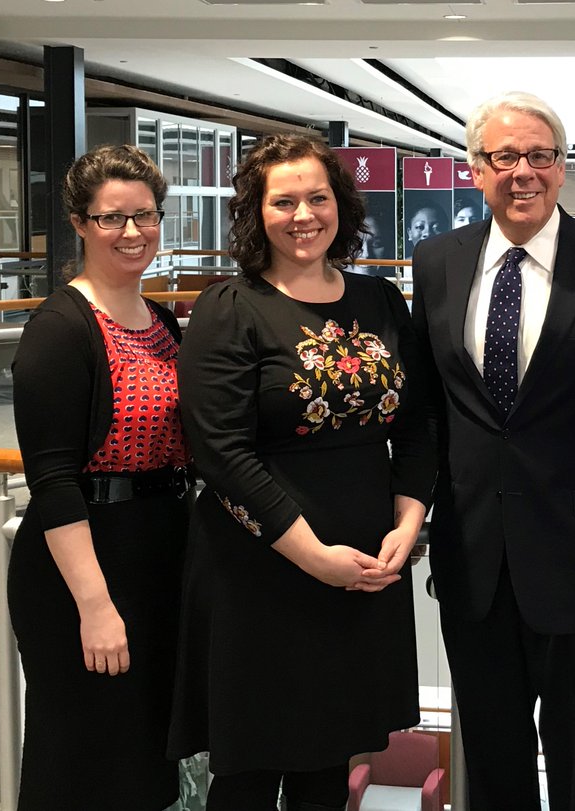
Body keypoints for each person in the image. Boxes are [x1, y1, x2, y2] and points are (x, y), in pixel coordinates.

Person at [411, 91, 575, 811]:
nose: (522, 172)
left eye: (539, 156)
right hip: (474, 566)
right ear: (476, 169)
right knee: (492, 766)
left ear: (562, 169)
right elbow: (430, 413)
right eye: (505, 156)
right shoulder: (436, 263)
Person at [168, 133, 436, 811]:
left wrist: (410, 521)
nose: (303, 214)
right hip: (261, 568)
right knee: (251, 770)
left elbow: (415, 424)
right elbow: (220, 451)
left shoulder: (380, 301)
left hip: (363, 564)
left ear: (340, 203)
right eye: (282, 200)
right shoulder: (228, 307)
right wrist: (314, 555)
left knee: (330, 762)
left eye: (317, 196)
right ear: (256, 213)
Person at [7, 144, 190, 811]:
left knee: (141, 757)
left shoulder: (164, 321)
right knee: (80, 755)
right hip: (81, 573)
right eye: (112, 218)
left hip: (155, 557)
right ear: (80, 224)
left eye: (145, 215)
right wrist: (95, 605)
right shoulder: (60, 328)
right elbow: (53, 481)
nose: (133, 232)